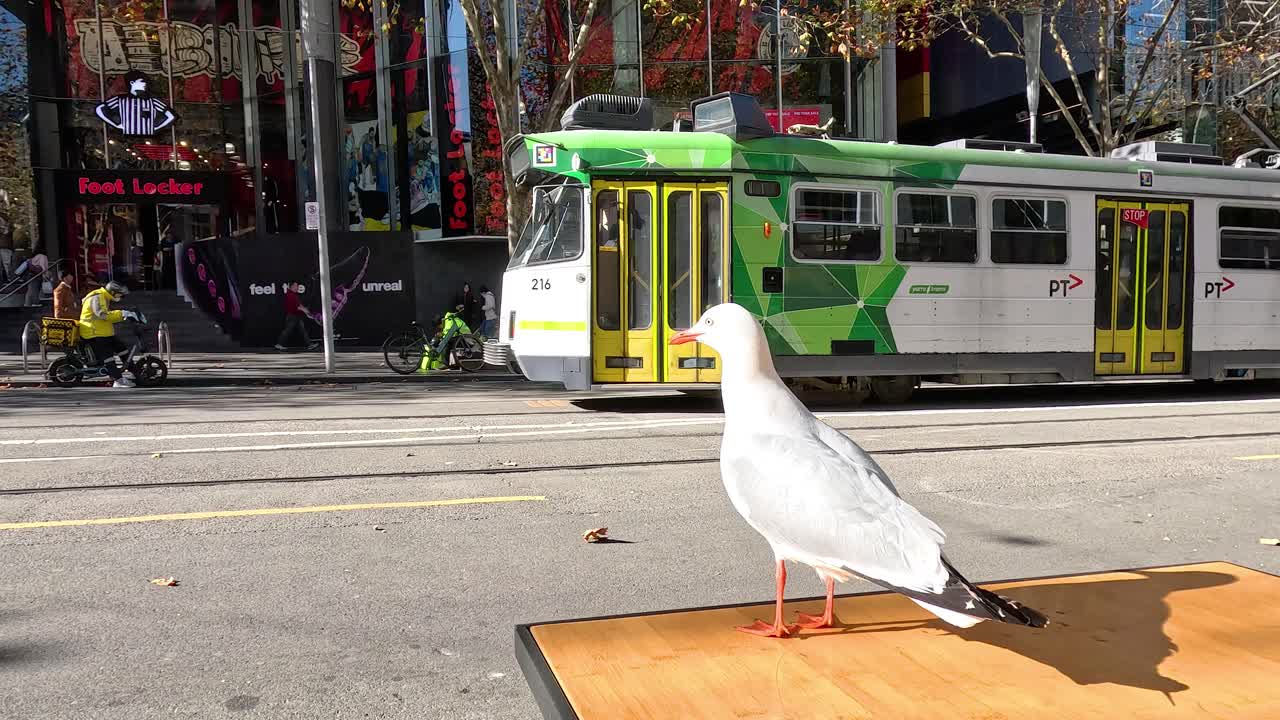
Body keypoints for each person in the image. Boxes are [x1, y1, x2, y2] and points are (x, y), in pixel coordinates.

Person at [79, 280, 138, 388]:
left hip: (101, 331)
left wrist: (124, 315)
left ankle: (136, 372)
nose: (121, 297)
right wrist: (122, 313)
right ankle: (118, 380)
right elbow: (102, 314)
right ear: (113, 292)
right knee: (108, 356)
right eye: (120, 294)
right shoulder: (98, 296)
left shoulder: (104, 297)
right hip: (93, 333)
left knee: (122, 348)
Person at [276, 282, 317, 351]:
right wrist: (306, 311)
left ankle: (310, 345)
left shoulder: (294, 295)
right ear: (291, 287)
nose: (297, 287)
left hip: (297, 316)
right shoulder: (290, 295)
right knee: (288, 331)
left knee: (303, 331)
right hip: (292, 317)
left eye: (297, 286)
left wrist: (307, 313)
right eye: (296, 286)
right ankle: (279, 344)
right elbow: (298, 307)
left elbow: (299, 305)